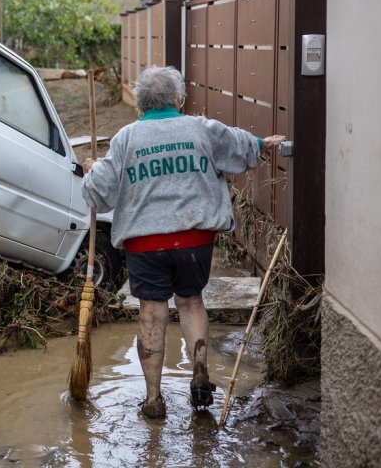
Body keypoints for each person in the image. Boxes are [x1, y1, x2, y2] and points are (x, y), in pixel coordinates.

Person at [81, 65, 285, 419]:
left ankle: (153, 399)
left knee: (152, 312)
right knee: (190, 302)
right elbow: (240, 145)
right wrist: (262, 145)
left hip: (145, 244)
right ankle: (200, 371)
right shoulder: (200, 128)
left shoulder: (125, 139)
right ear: (177, 99)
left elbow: (98, 195)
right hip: (195, 239)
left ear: (140, 105)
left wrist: (90, 172)